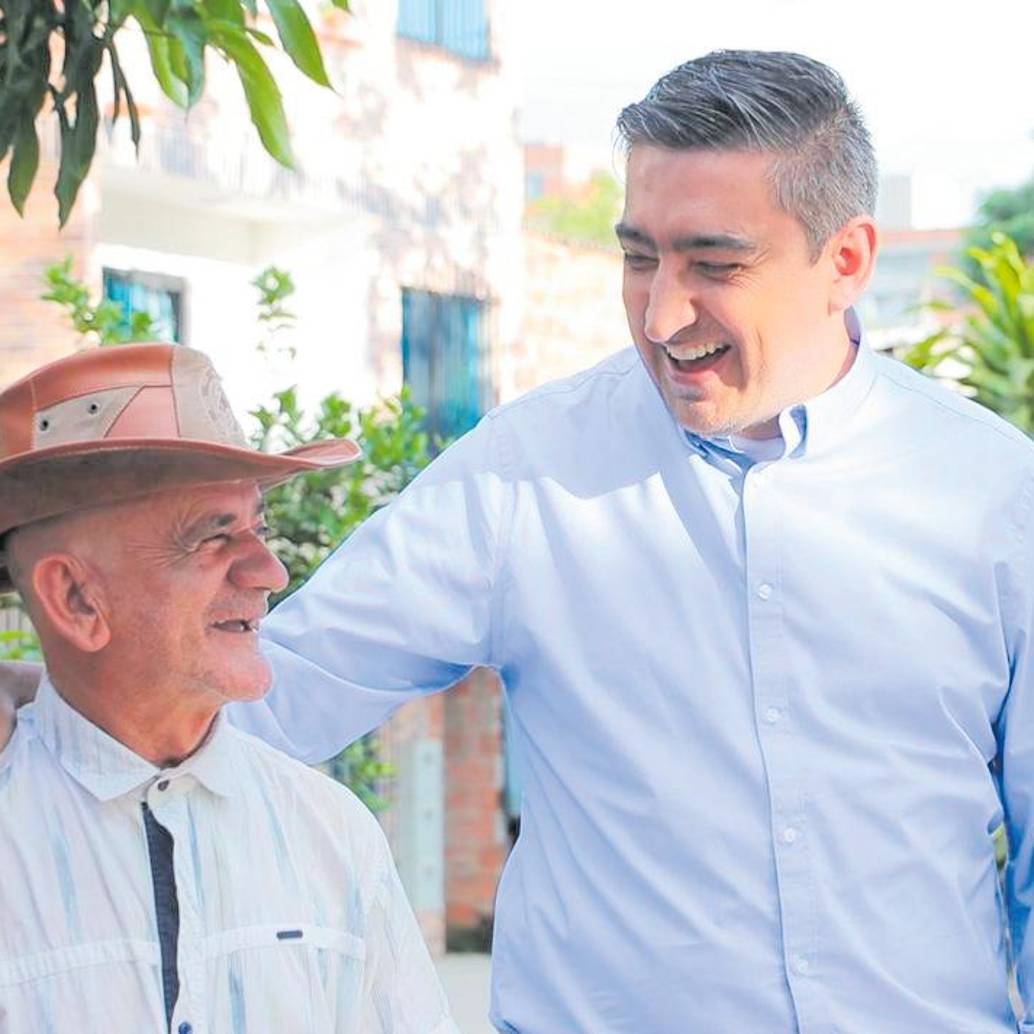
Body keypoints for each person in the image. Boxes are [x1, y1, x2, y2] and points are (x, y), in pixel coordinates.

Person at [4, 49, 1033, 1033]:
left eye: (714, 264)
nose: (661, 312)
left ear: (845, 261)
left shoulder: (993, 494)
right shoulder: (522, 474)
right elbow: (273, 690)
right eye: (638, 257)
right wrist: (48, 707)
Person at [0, 343, 457, 1034]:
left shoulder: (330, 832)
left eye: (257, 528)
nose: (269, 571)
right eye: (213, 538)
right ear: (75, 598)